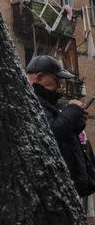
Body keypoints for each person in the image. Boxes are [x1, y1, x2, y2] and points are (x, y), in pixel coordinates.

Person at [26, 55, 93, 197]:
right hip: (50, 192)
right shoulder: (30, 100)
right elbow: (50, 134)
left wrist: (75, 125)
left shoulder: (44, 101)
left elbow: (60, 137)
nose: (60, 86)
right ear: (39, 77)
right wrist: (73, 110)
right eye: (56, 80)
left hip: (63, 189)